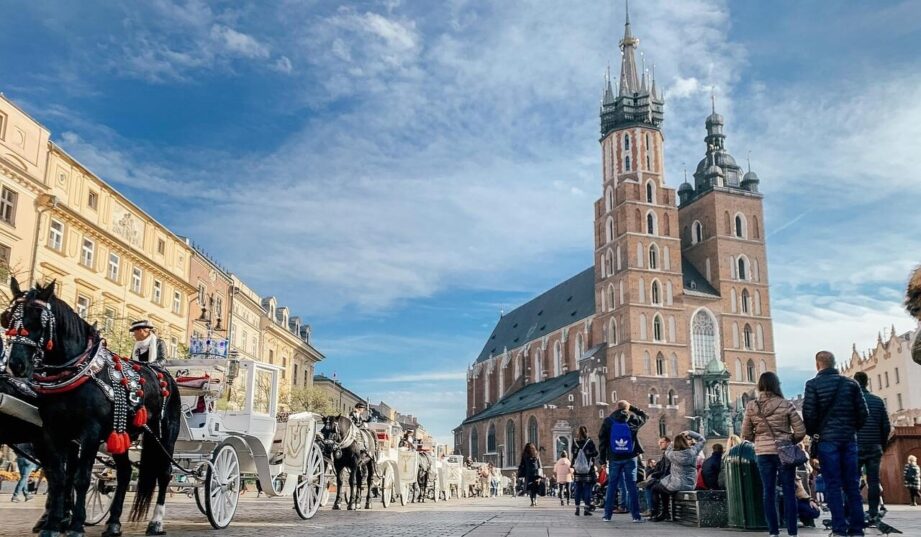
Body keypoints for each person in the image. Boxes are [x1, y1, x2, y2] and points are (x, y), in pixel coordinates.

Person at [802, 351, 868, 537]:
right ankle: (857, 529)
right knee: (852, 486)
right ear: (834, 363)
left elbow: (809, 415)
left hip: (827, 441)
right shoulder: (851, 383)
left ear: (818, 365)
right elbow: (863, 413)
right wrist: (851, 428)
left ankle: (839, 529)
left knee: (833, 485)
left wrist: (815, 433)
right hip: (849, 440)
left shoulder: (813, 384)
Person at [742, 371, 806, 537]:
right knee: (789, 491)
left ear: (760, 386)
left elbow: (746, 434)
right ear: (776, 385)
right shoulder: (785, 404)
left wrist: (760, 439)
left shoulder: (751, 406)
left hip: (763, 453)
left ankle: (773, 532)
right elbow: (800, 430)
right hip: (784, 452)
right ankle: (792, 532)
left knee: (768, 491)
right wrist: (789, 440)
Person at [598, 400, 647, 522]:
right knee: (631, 486)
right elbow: (645, 416)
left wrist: (602, 460)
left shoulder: (608, 421)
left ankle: (607, 515)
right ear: (627, 408)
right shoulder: (632, 419)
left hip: (614, 458)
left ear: (617, 408)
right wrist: (633, 408)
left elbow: (602, 442)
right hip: (630, 457)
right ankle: (636, 516)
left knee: (612, 486)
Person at [853, 371, 890, 524]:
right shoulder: (878, 401)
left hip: (856, 446)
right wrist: (882, 444)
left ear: (854, 383)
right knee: (873, 480)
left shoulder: (851, 402)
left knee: (853, 480)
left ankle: (855, 512)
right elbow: (886, 426)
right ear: (867, 383)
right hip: (874, 446)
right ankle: (873, 512)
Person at [649, 430, 705, 522]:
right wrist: (689, 433)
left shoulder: (671, 454)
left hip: (675, 485)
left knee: (656, 488)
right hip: (690, 484)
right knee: (662, 487)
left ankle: (658, 513)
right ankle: (665, 513)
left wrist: (674, 440)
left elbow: (668, 449)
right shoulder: (693, 451)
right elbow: (702, 440)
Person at [571, 426, 598, 516]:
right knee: (587, 489)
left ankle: (577, 509)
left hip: (578, 469)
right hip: (588, 469)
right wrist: (588, 454)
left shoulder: (575, 441)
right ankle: (586, 509)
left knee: (578, 489)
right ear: (586, 432)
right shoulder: (589, 441)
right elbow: (595, 453)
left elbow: (573, 453)